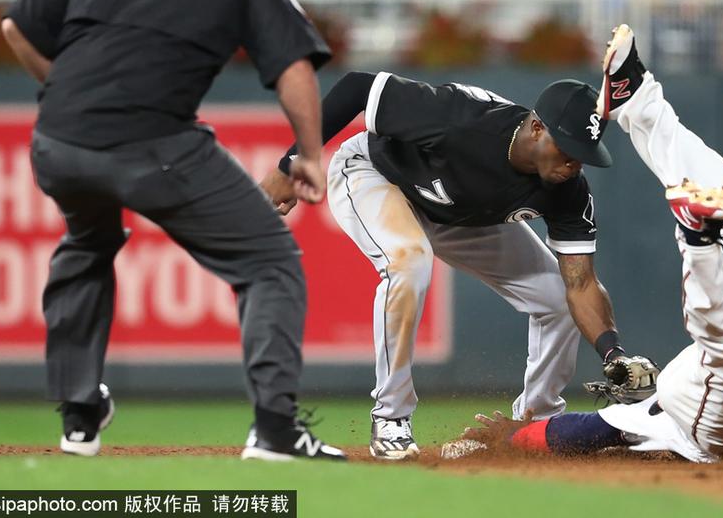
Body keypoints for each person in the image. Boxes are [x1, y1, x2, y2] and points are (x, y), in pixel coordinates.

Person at [1, 0, 344, 461]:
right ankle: (275, 431)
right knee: (269, 261)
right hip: (152, 141)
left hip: (58, 142)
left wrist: (61, 93)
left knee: (87, 245)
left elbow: (14, 25)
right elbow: (294, 68)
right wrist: (309, 155)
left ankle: (79, 416)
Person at [461, 26, 723, 462]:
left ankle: (693, 230)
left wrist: (509, 440)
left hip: (720, 414)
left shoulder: (682, 404)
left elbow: (589, 429)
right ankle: (691, 223)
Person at [260, 72, 658, 460]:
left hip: (460, 215)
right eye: (568, 149)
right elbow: (358, 88)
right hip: (378, 175)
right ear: (537, 128)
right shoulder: (461, 119)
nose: (574, 163)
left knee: (556, 297)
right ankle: (392, 416)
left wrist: (612, 353)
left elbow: (581, 284)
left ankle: (534, 424)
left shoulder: (566, 189)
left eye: (584, 155)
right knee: (409, 262)